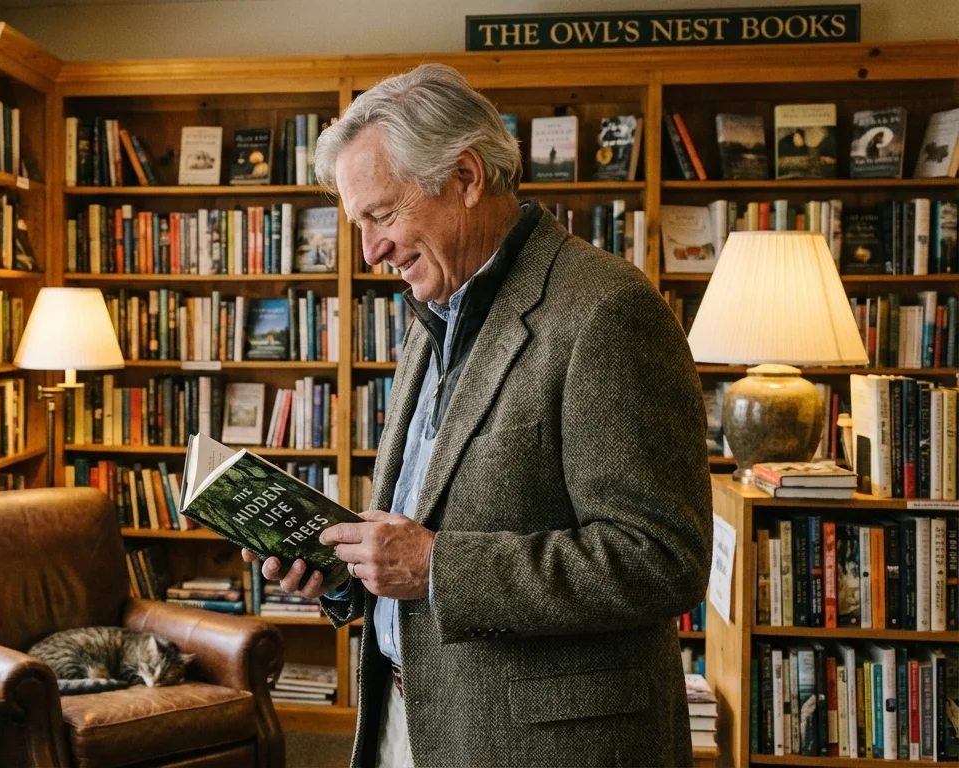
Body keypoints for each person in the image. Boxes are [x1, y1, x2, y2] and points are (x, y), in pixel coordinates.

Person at [242, 64, 712, 766]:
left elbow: (661, 559)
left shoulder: (606, 310)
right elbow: (420, 527)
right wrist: (343, 572)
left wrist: (434, 565)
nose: (370, 251)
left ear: (465, 177)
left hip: (544, 747)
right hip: (408, 720)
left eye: (382, 215)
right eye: (358, 224)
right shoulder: (431, 312)